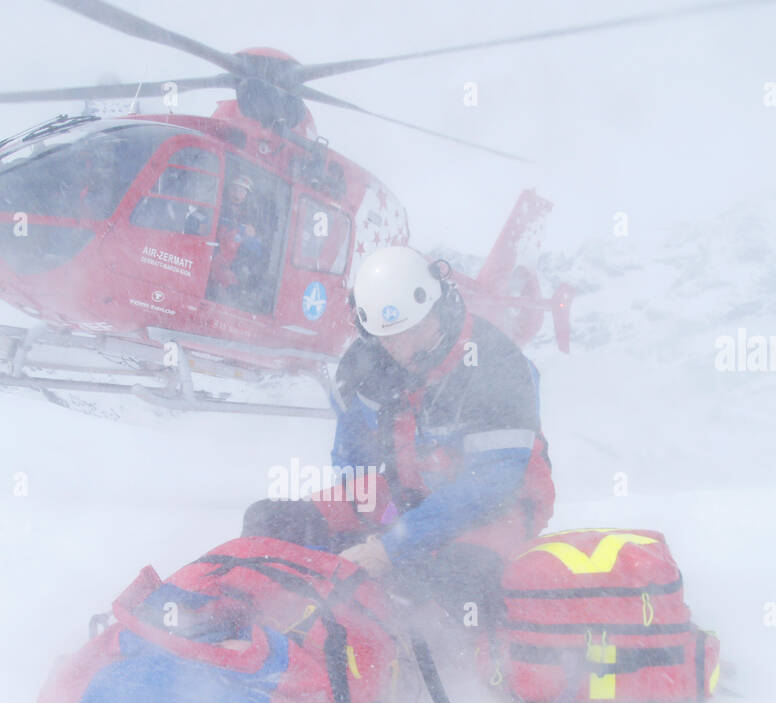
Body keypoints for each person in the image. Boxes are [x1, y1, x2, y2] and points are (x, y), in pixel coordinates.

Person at [242, 245, 556, 633]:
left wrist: (391, 547)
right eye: (390, 339)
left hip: (500, 507)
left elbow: (490, 485)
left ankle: (441, 672)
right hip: (407, 494)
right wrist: (372, 527)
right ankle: (261, 627)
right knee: (274, 521)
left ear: (439, 308)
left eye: (414, 331)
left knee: (457, 581)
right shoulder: (365, 366)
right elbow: (352, 456)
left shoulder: (496, 363)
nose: (403, 349)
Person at [209, 174, 269, 307]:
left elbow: (257, 249)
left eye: (242, 191)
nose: (237, 194)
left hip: (232, 264)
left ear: (247, 195)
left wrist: (253, 234)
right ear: (228, 189)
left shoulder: (251, 215)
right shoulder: (217, 203)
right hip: (211, 256)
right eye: (234, 189)